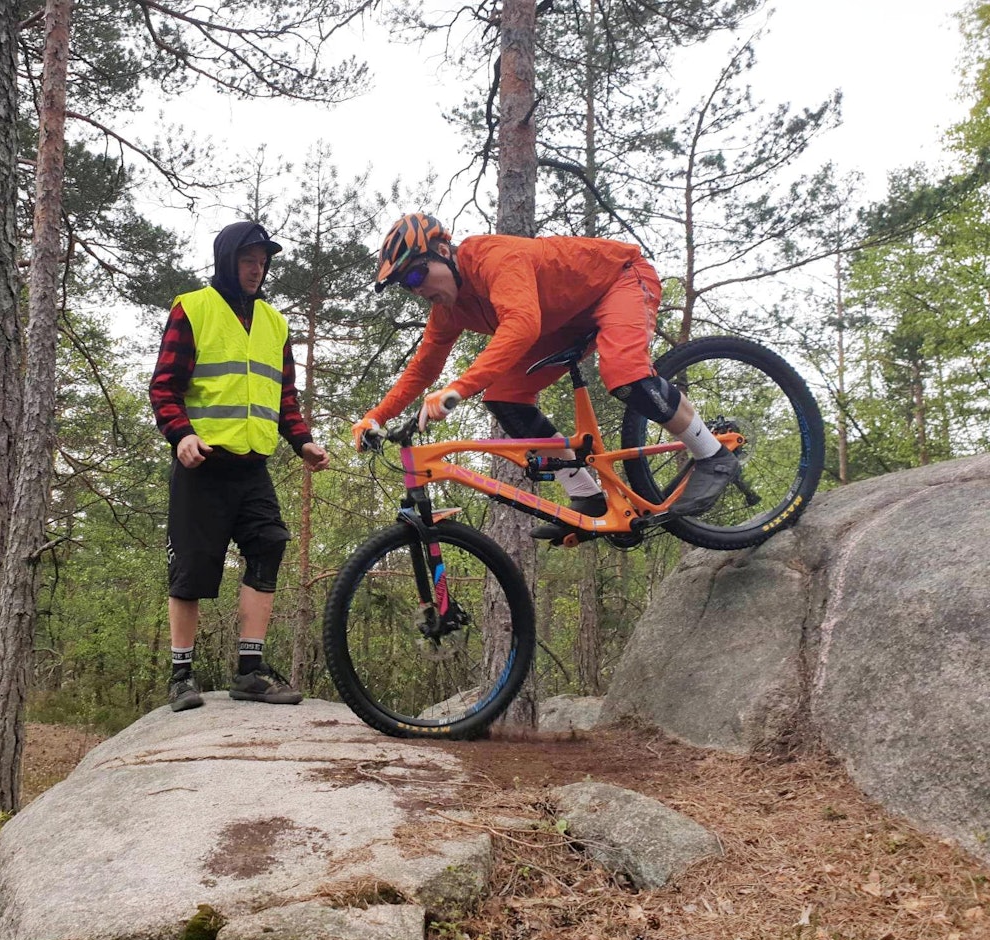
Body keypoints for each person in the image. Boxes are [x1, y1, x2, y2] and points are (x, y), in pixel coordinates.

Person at [352, 213, 739, 538]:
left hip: (616, 282)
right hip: (563, 322)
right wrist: (376, 417)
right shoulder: (449, 309)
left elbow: (521, 324)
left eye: (417, 277)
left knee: (624, 374)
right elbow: (423, 367)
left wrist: (458, 388)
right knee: (504, 398)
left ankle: (713, 455)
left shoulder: (491, 258)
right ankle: (588, 496)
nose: (416, 290)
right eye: (406, 286)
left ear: (441, 252)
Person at [150, 221, 330, 712]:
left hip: (253, 466)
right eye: (249, 260)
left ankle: (250, 672)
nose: (258, 268)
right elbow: (163, 387)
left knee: (269, 545)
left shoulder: (275, 323)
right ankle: (181, 676)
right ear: (227, 260)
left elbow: (284, 396)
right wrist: (181, 434)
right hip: (202, 463)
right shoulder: (194, 308)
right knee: (190, 571)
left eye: (264, 260)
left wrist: (304, 443)